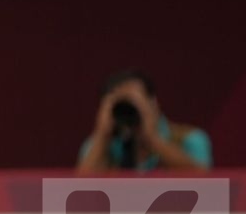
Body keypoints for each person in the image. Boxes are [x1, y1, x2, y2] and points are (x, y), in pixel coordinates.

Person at [78, 68, 211, 173]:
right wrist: (102, 136)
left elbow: (205, 183)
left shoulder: (189, 139)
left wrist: (152, 139)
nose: (128, 110)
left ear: (153, 103)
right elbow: (77, 193)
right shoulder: (99, 145)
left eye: (133, 101)